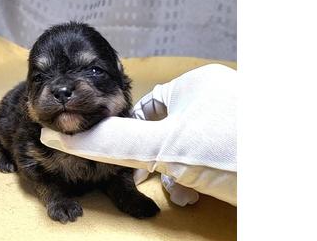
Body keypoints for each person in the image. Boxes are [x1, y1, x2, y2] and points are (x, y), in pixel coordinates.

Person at [40, 64, 237, 207]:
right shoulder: (34, 139)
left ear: (123, 84)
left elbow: (119, 171)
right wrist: (54, 198)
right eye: (41, 77)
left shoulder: (127, 127)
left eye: (94, 71)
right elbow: (33, 168)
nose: (63, 89)